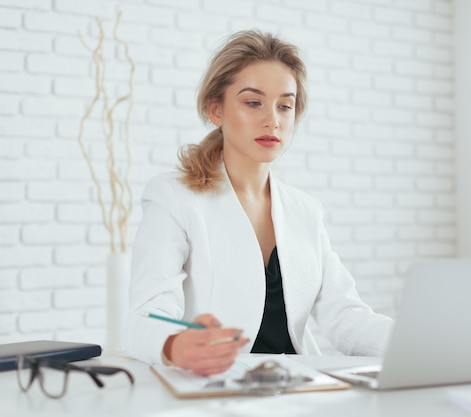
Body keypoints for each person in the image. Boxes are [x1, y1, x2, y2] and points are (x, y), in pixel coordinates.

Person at [125, 29, 393, 376]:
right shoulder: (173, 197)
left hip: (297, 387)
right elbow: (146, 315)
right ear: (216, 109)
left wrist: (420, 338)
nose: (273, 120)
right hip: (217, 388)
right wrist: (176, 345)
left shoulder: (305, 210)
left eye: (285, 105)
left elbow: (343, 316)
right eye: (253, 102)